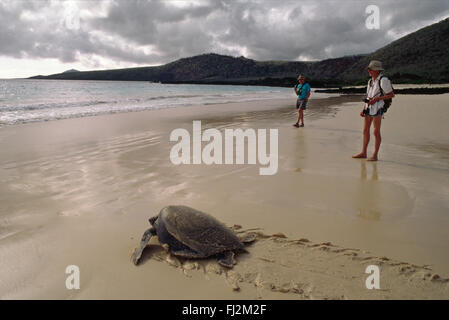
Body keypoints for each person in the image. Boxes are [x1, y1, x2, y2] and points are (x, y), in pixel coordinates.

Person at [353, 60, 394, 161]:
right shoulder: (370, 81)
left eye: (370, 69)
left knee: (376, 132)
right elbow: (368, 96)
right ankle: (364, 152)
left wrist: (376, 99)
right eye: (369, 69)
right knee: (365, 130)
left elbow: (391, 94)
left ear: (377, 70)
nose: (369, 71)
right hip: (369, 107)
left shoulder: (383, 80)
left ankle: (375, 155)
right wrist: (364, 109)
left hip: (378, 107)